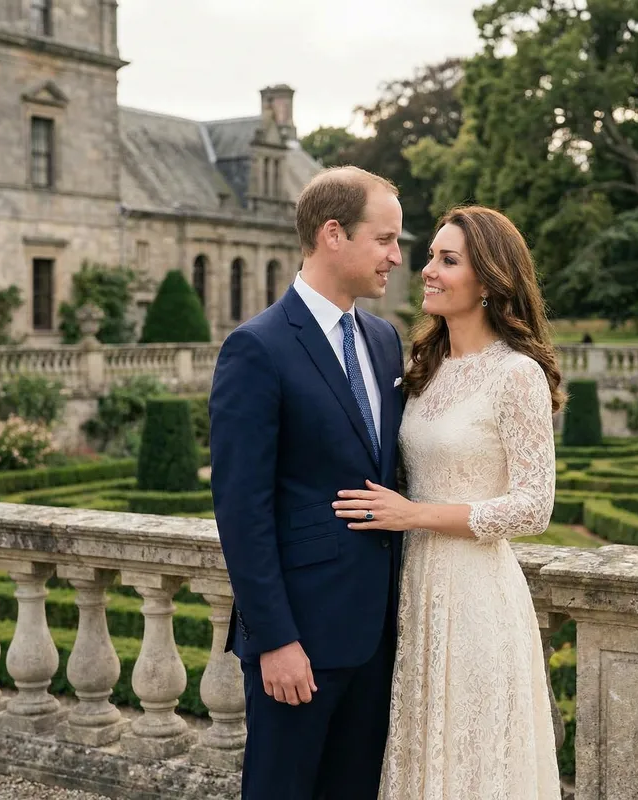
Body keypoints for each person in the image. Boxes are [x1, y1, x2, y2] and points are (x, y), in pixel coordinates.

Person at [334, 205, 565, 799]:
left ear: (488, 280)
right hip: (411, 590)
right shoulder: (421, 367)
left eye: (448, 259)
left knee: (473, 764)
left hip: (476, 595)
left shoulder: (517, 375)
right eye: (431, 256)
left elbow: (534, 507)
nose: (427, 270)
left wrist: (415, 515)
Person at [209, 166, 405, 800]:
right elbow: (242, 510)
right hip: (300, 643)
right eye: (384, 240)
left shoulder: (383, 341)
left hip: (376, 636)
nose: (396, 257)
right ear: (332, 234)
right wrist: (276, 641)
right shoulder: (256, 348)